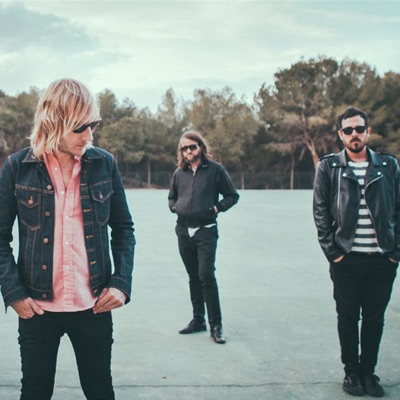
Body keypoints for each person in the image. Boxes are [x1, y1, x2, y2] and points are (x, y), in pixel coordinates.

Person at [0, 78, 135, 400]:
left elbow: (123, 229)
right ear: (53, 123)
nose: (89, 136)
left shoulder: (104, 163)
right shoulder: (17, 168)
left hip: (94, 306)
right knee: (35, 392)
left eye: (93, 125)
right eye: (79, 128)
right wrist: (13, 292)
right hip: (37, 309)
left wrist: (121, 283)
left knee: (100, 390)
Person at [313, 106, 400, 397]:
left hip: (382, 259)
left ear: (368, 132)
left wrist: (395, 253)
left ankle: (368, 373)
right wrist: (334, 254)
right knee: (348, 318)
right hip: (346, 259)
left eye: (359, 129)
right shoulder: (329, 167)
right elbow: (320, 212)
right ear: (340, 134)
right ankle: (351, 372)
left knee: (375, 319)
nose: (354, 134)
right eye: (348, 130)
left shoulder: (388, 165)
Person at [168, 130, 239, 344]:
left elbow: (232, 196)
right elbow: (172, 197)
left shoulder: (215, 170)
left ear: (201, 147)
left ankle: (216, 325)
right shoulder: (179, 173)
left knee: (206, 275)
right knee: (193, 276)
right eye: (184, 148)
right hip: (183, 231)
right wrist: (175, 207)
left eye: (192, 146)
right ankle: (198, 320)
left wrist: (216, 208)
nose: (188, 151)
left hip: (206, 230)